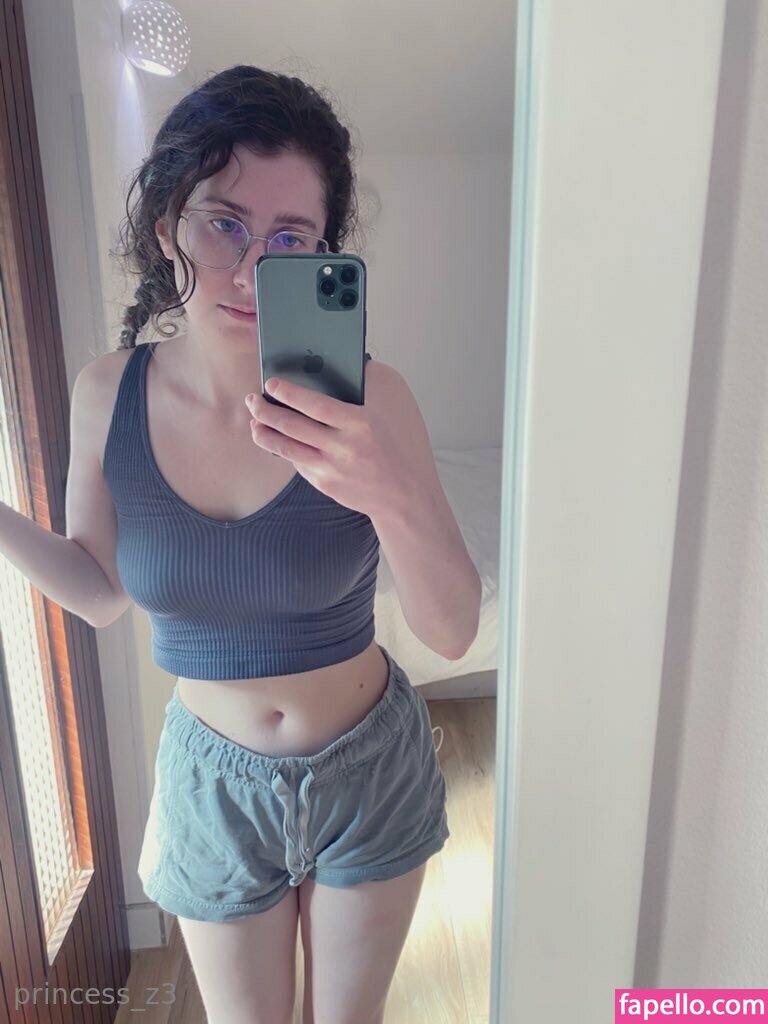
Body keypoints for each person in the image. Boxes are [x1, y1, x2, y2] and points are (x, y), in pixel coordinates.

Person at [80, 65, 480, 1023]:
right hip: (210, 787)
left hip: (368, 767)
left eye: (289, 239)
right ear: (167, 225)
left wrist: (389, 490)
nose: (252, 267)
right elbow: (98, 591)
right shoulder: (108, 395)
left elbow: (453, 629)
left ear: (322, 253)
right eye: (224, 223)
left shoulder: (374, 398)